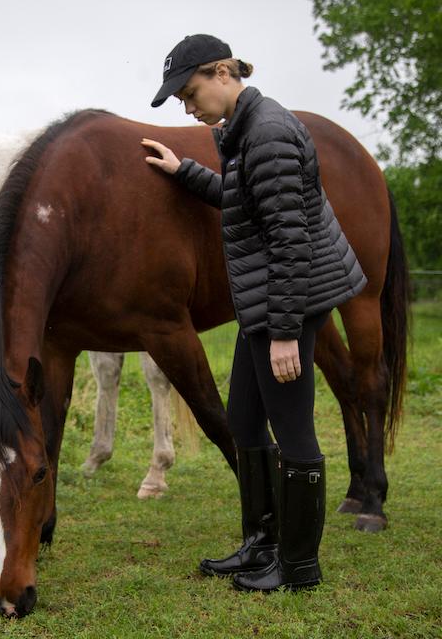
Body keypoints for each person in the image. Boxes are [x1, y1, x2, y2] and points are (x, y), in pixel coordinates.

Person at [141, 34, 367, 592]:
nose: (188, 108)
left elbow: (291, 242)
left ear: (222, 72)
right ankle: (261, 545)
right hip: (267, 302)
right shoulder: (243, 132)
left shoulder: (266, 134)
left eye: (191, 94)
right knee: (243, 419)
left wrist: (286, 333)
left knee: (293, 431)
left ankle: (297, 568)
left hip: (290, 302)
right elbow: (245, 200)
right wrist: (184, 170)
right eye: (180, 101)